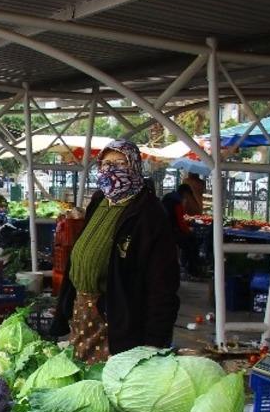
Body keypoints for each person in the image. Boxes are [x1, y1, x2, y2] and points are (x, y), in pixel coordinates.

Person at [52, 140, 180, 364]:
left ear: (135, 166)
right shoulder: (100, 200)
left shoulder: (149, 212)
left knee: (108, 377)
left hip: (116, 317)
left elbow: (162, 283)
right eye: (106, 164)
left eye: (120, 163)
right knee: (81, 373)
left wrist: (154, 341)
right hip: (82, 310)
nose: (111, 169)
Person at [161, 182, 201, 277]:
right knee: (192, 242)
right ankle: (192, 269)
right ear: (185, 193)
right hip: (172, 233)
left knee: (188, 240)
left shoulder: (168, 198)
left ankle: (186, 265)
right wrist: (189, 231)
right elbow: (181, 223)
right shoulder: (176, 202)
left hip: (164, 230)